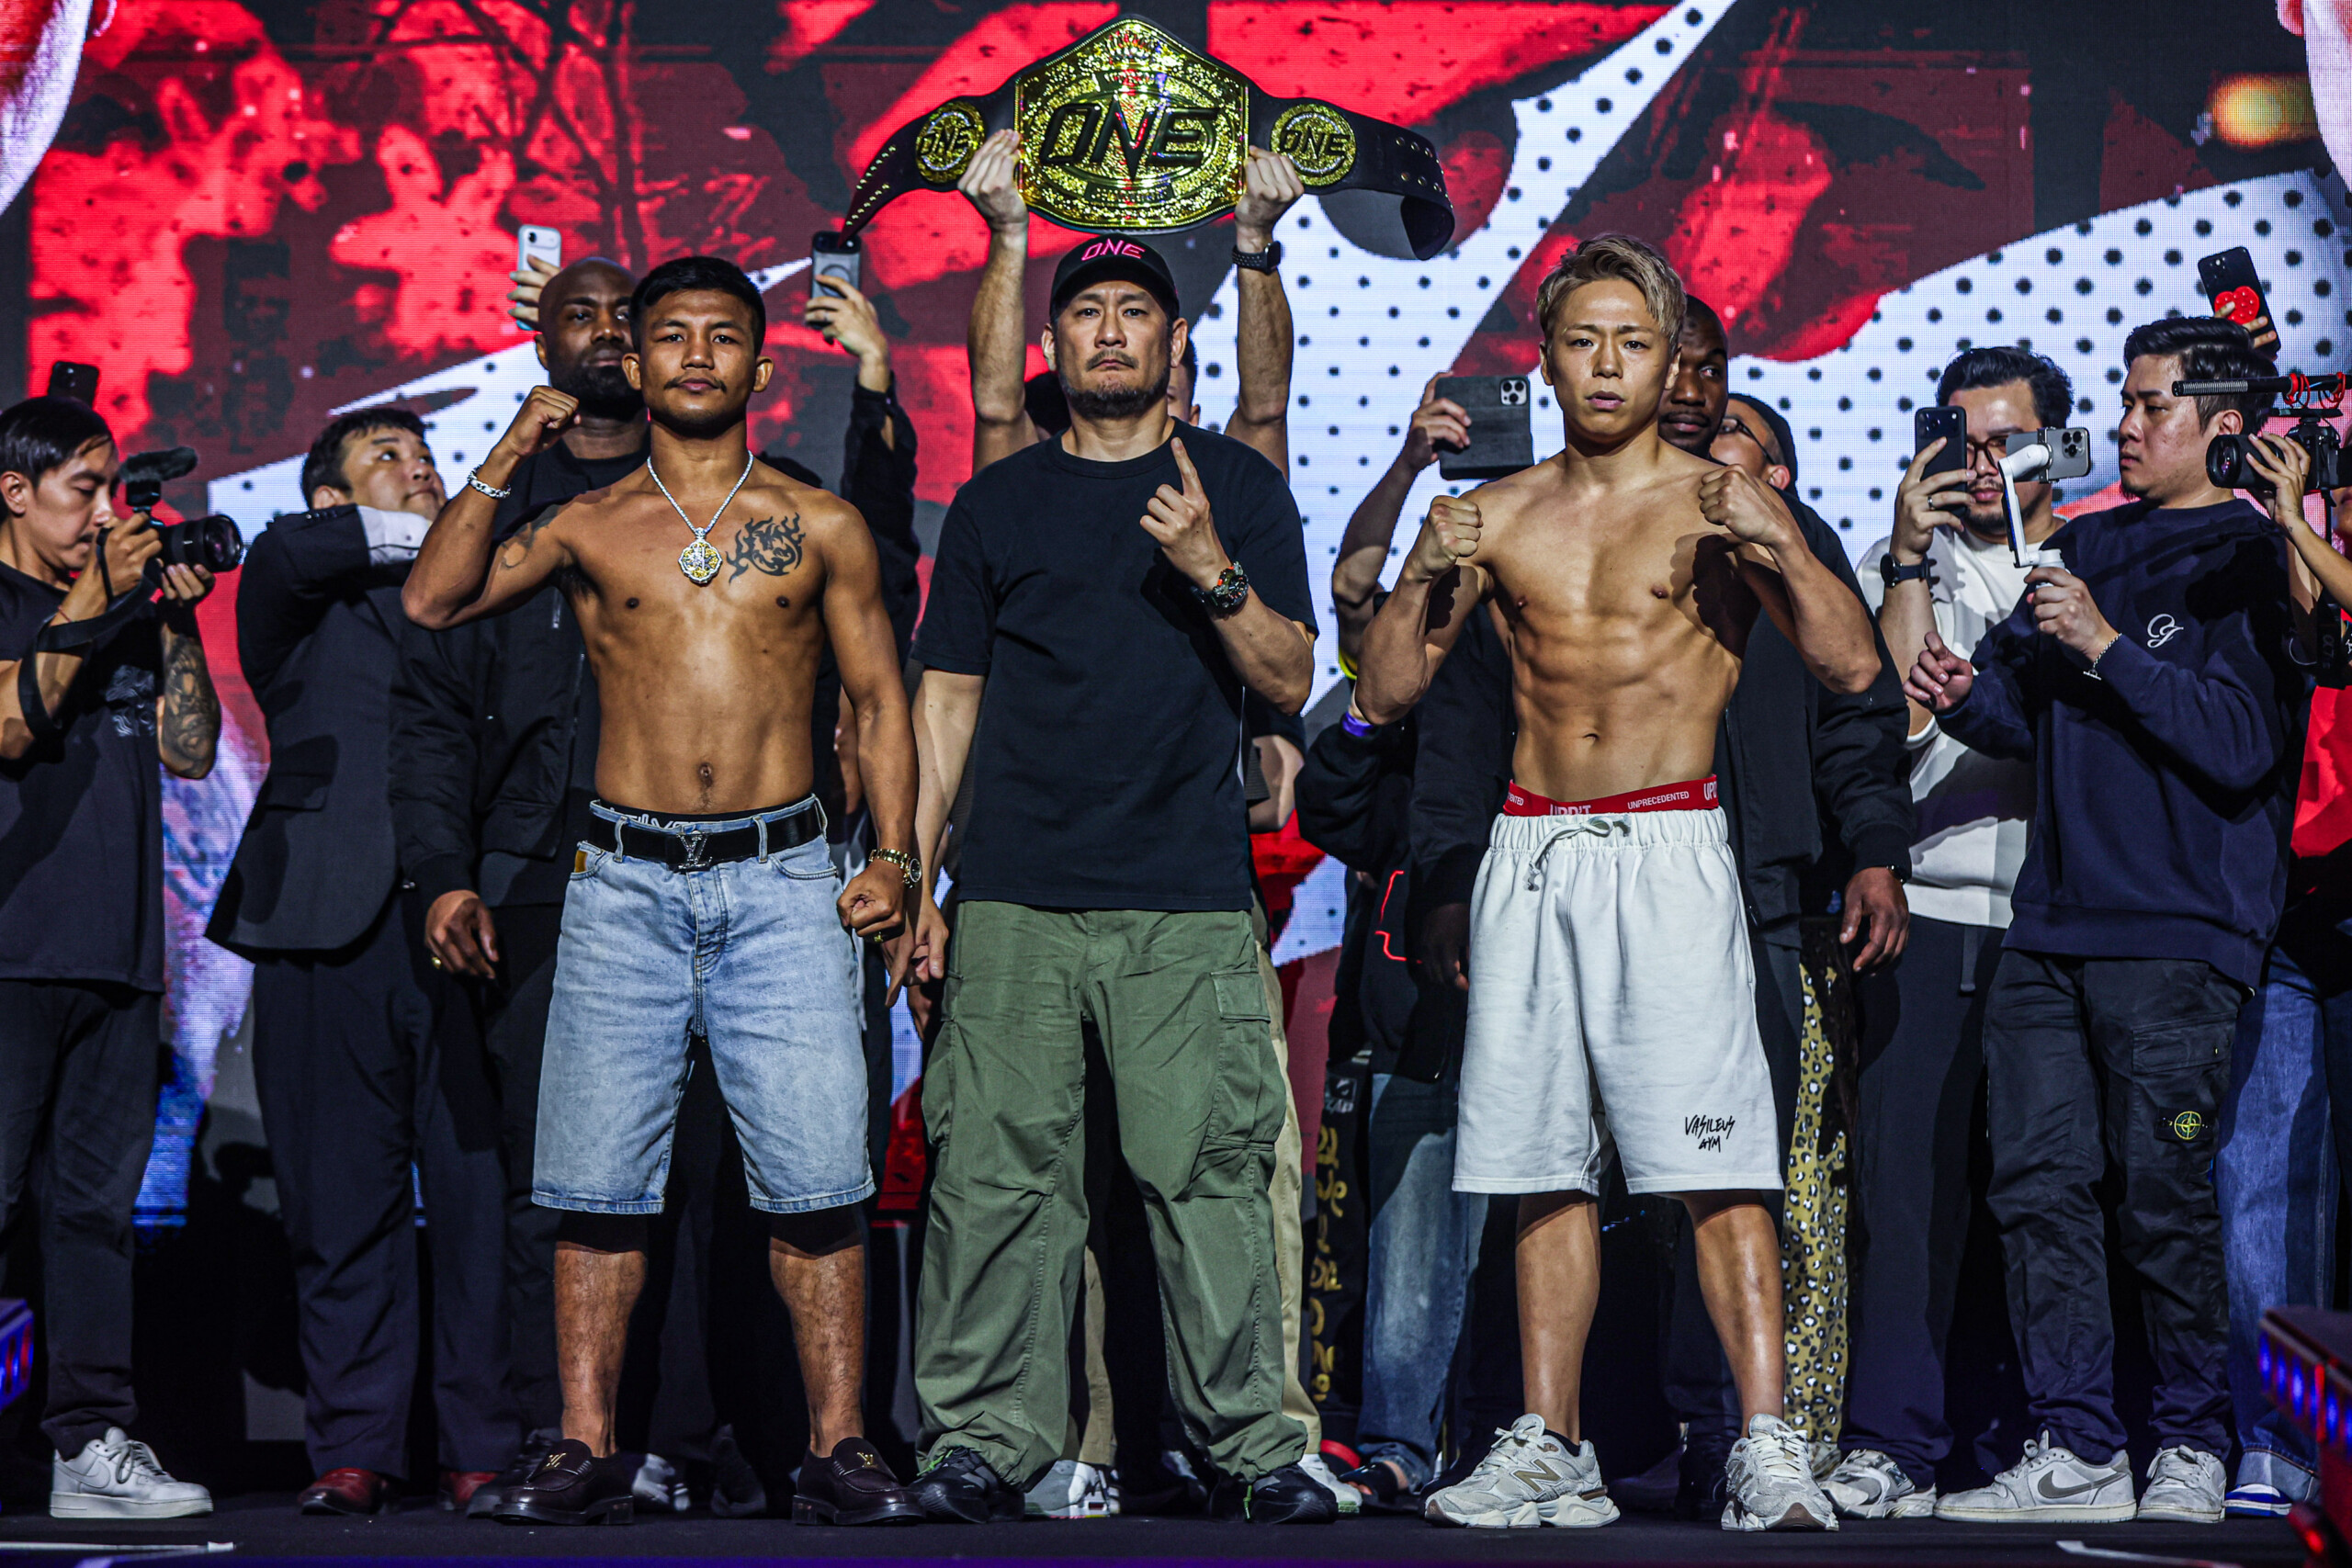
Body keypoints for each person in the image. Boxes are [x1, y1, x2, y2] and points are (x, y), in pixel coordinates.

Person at [1354, 234, 1880, 1533]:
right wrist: (1424, 566)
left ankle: (1767, 1439)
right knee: (1542, 1165)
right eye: (1582, 340)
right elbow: (1381, 695)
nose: (1607, 364)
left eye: (1631, 342)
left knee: (1718, 1165)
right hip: (1533, 850)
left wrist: (1785, 543)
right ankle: (1551, 1441)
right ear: (1546, 354)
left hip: (1671, 845)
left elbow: (1855, 669)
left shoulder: (1718, 502)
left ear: (1670, 358)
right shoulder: (1504, 513)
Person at [402, 254, 922, 1528]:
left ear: (757, 361)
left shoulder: (822, 522)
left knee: (817, 1177)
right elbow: (432, 595)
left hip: (785, 873)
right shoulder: (586, 523)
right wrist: (519, 439)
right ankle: (582, 1442)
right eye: (669, 336)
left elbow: (878, 702)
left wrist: (897, 857)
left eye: (722, 337)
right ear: (631, 362)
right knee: (595, 1180)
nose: (696, 356)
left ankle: (842, 1442)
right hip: (623, 879)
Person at [893, 233, 1331, 1526]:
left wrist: (1209, 564)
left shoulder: (1236, 488)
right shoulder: (999, 504)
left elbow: (1290, 676)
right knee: (995, 1178)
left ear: (1171, 342)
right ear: (1055, 343)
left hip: (1183, 896)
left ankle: (1253, 1442)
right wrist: (915, 877)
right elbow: (947, 704)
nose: (1110, 331)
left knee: (1212, 1176)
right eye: (1086, 311)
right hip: (1017, 890)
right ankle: (981, 1439)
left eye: (1135, 310)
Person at [1905, 316, 2303, 1526]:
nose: (2124, 428)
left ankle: (2190, 1434)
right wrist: (1971, 695)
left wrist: (2109, 643)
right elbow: (2039, 726)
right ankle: (2076, 1439)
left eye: (2152, 406)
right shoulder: (2083, 540)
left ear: (2223, 425)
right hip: (2053, 923)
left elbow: (2241, 746)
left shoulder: (2252, 556)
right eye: (2124, 404)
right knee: (2038, 1182)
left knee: (2161, 1190)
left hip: (2180, 930)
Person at [207, 407, 513, 1515]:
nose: (423, 471)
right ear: (333, 496)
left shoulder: (484, 591)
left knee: (483, 1201)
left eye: (430, 459)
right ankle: (356, 1447)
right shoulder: (298, 580)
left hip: (468, 922)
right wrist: (451, 525)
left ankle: (482, 1441)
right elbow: (288, 545)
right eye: (390, 460)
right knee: (341, 1205)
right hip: (321, 922)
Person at [1829, 347, 2071, 1519]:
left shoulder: (2088, 563)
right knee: (1909, 1195)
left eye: (2007, 438)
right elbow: (1893, 718)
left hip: (2057, 926)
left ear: (2055, 444)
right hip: (1928, 912)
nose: (1983, 463)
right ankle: (1892, 1445)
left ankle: (2051, 1437)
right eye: (1962, 438)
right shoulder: (1895, 563)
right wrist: (1910, 558)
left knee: (2051, 1198)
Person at [0, 395, 219, 1518]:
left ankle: (88, 1445)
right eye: (81, 492)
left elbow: (189, 753)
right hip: (11, 950)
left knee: (94, 1215)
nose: (101, 516)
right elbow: (11, 726)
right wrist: (97, 596)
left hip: (121, 956)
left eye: (109, 491)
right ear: (15, 490)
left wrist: (172, 620)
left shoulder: (129, 608)